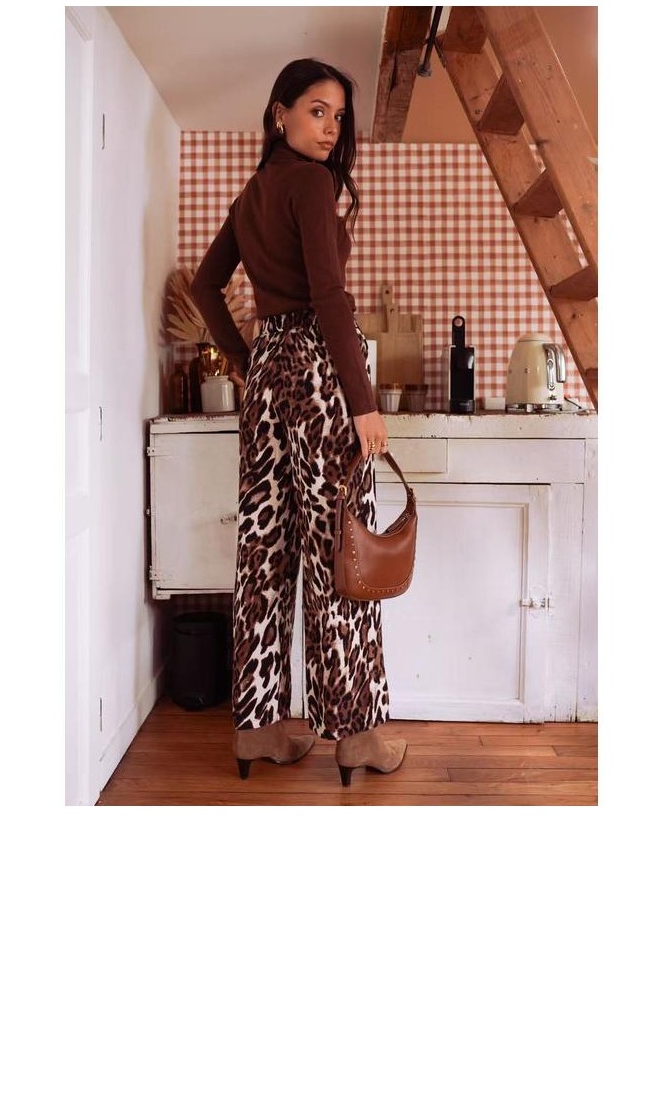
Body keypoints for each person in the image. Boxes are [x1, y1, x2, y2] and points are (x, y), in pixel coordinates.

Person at [190, 58, 408, 787]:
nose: (331, 128)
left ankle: (257, 726)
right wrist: (363, 400)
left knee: (264, 546)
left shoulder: (252, 192)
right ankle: (356, 732)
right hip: (320, 376)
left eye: (338, 116)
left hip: (268, 379)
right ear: (279, 113)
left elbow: (206, 285)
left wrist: (247, 360)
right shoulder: (311, 185)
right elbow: (330, 299)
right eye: (317, 111)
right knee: (340, 548)